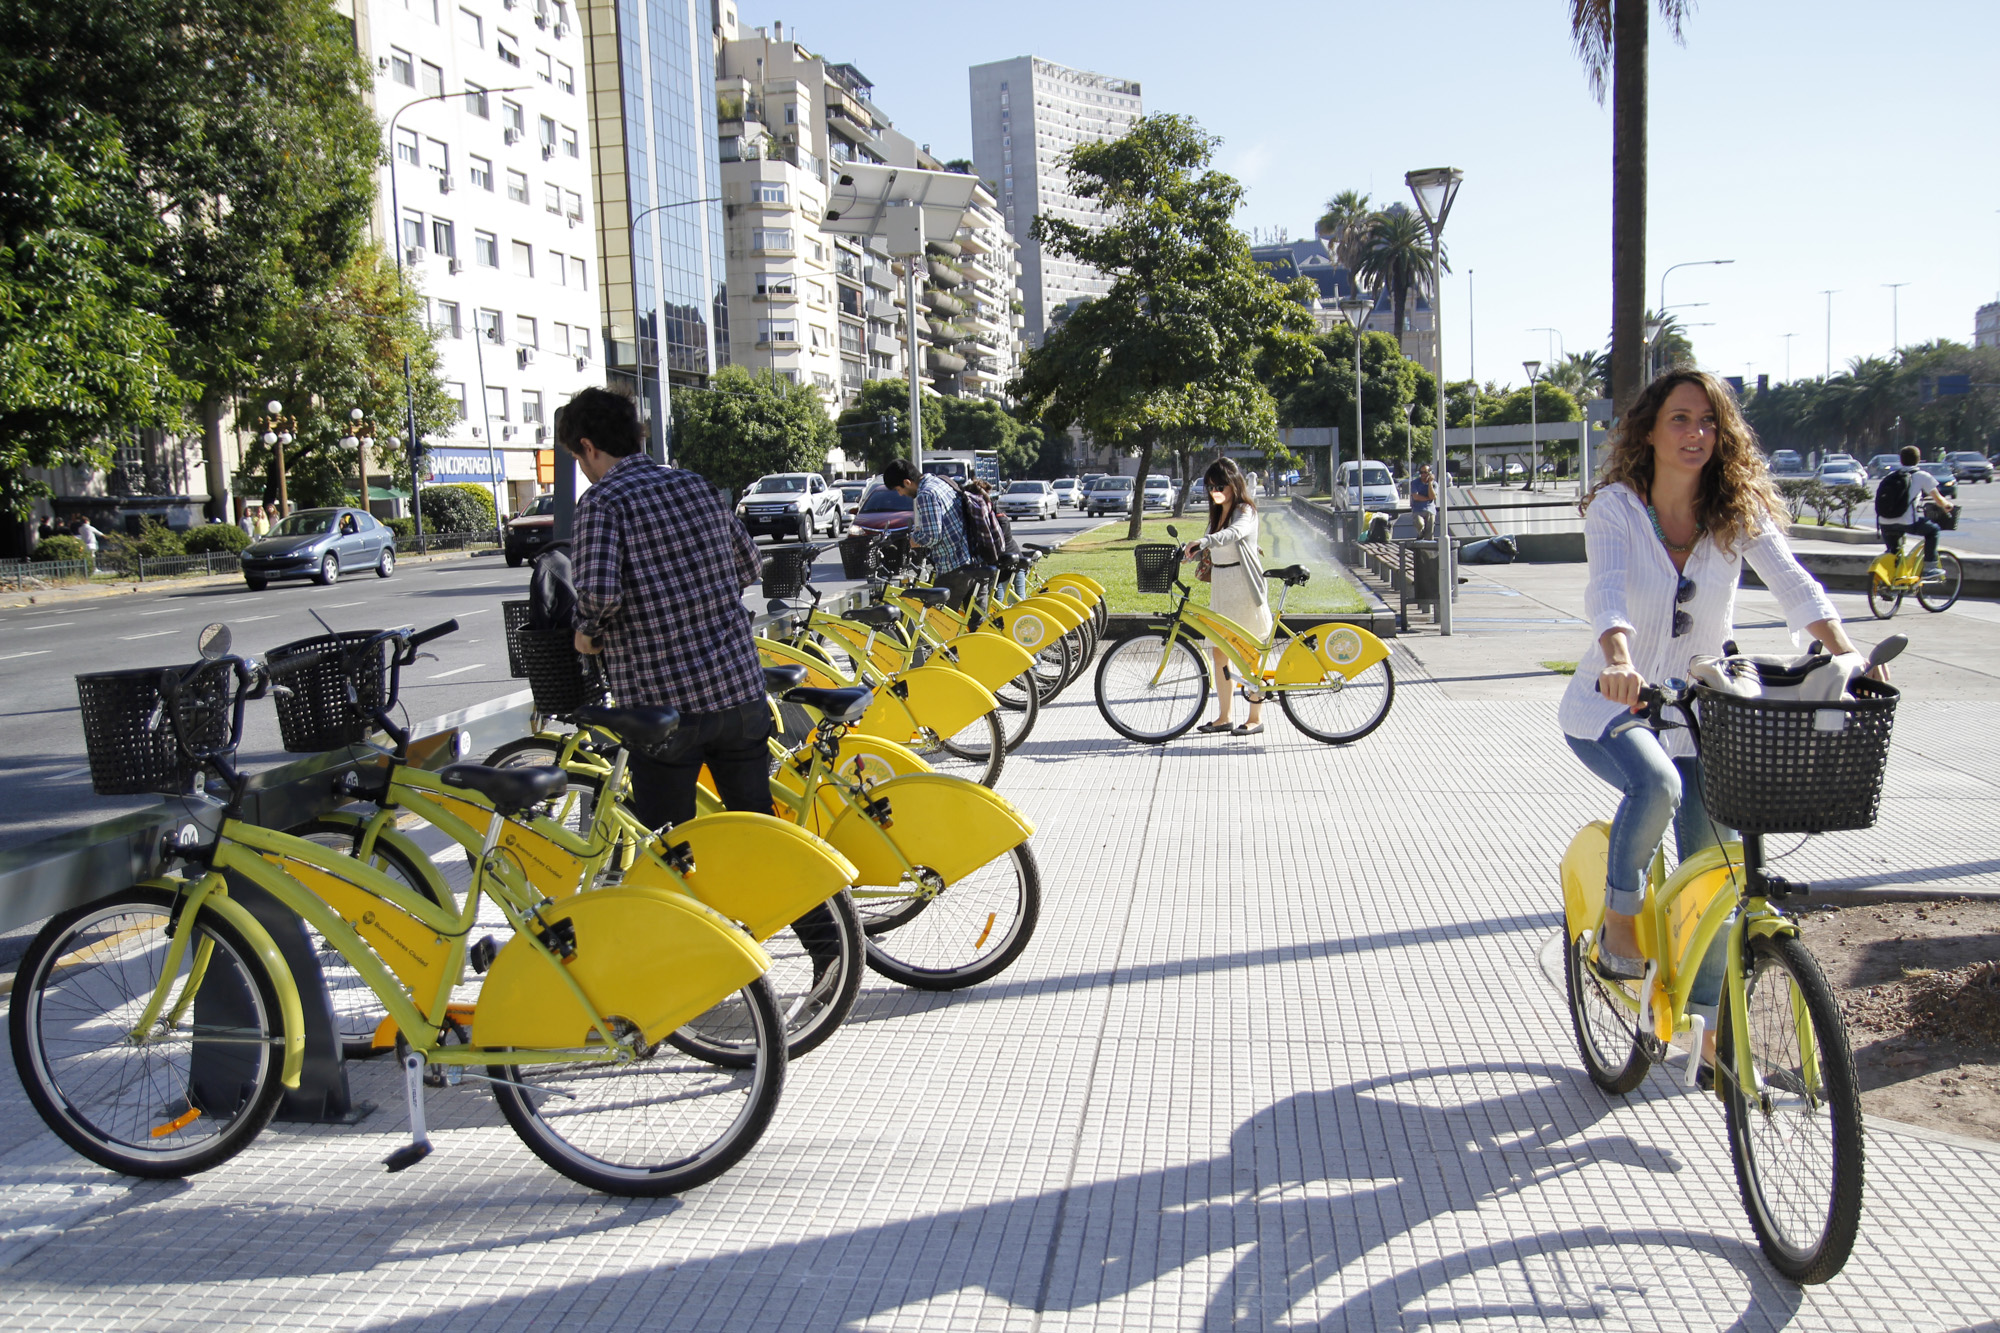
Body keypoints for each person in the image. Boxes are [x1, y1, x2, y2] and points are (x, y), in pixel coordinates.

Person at [1561, 370, 1875, 1068]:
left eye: (1708, 421)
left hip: (1701, 708)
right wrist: (1619, 656)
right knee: (1658, 785)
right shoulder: (1616, 508)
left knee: (1716, 867)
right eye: (1679, 419)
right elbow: (1606, 590)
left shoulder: (1735, 508)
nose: (1696, 433)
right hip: (1611, 703)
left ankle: (1707, 1033)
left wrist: (1846, 651)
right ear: (1649, 430)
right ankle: (1619, 924)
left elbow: (1793, 580)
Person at [562, 388, 770, 830]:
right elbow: (750, 564)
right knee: (759, 831)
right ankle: (794, 898)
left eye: (579, 460)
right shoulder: (695, 484)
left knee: (671, 844)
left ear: (587, 447)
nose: (583, 470)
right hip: (738, 688)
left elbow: (600, 594)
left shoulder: (602, 503)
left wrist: (586, 631)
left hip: (663, 707)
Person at [1179, 457, 1270, 737]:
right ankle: (1224, 716)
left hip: (1243, 589)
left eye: (1219, 485)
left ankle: (1255, 717)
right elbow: (1214, 546)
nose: (1214, 491)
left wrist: (1205, 541)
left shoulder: (1245, 510)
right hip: (1221, 588)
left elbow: (1234, 534)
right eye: (1209, 486)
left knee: (1249, 653)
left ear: (1233, 483)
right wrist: (1191, 552)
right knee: (1219, 653)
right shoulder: (1217, 513)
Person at [883, 457, 979, 604]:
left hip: (952, 567)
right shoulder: (940, 482)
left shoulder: (925, 495)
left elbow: (932, 536)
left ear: (907, 482)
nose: (900, 494)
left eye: (898, 490)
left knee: (936, 622)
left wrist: (914, 540)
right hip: (971, 559)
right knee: (974, 623)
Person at [1875, 444, 1952, 578]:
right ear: (1918, 459)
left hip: (1884, 522)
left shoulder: (1892, 476)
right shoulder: (1922, 476)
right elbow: (1939, 499)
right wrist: (1947, 505)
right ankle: (1930, 567)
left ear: (1901, 460)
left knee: (1894, 553)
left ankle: (1890, 584)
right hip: (1907, 521)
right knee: (1933, 530)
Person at [1408, 464, 1437, 540]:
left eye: (1425, 472)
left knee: (1429, 534)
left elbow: (1433, 496)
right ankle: (1420, 534)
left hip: (1430, 509)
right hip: (1418, 509)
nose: (1423, 474)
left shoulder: (1434, 484)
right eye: (1421, 472)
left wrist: (1430, 483)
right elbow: (1416, 497)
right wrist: (1428, 498)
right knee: (1419, 523)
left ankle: (1428, 550)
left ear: (1430, 473)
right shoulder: (1414, 483)